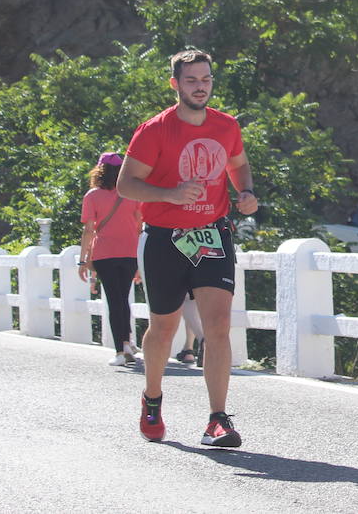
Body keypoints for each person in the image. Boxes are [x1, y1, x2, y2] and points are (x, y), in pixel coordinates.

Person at [117, 49, 259, 448]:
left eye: (207, 79)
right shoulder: (155, 130)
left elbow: (239, 164)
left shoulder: (226, 125)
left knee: (217, 327)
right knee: (163, 327)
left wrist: (245, 192)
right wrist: (171, 194)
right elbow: (126, 185)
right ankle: (152, 398)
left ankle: (217, 419)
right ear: (175, 84)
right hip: (164, 237)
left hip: (212, 233)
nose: (201, 87)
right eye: (192, 80)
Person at [78, 153, 144, 366]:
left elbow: (89, 230)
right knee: (123, 299)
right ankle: (127, 344)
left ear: (99, 171)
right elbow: (139, 225)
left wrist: (83, 260)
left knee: (114, 301)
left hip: (105, 253)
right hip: (129, 253)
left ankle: (120, 352)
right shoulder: (132, 195)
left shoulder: (92, 196)